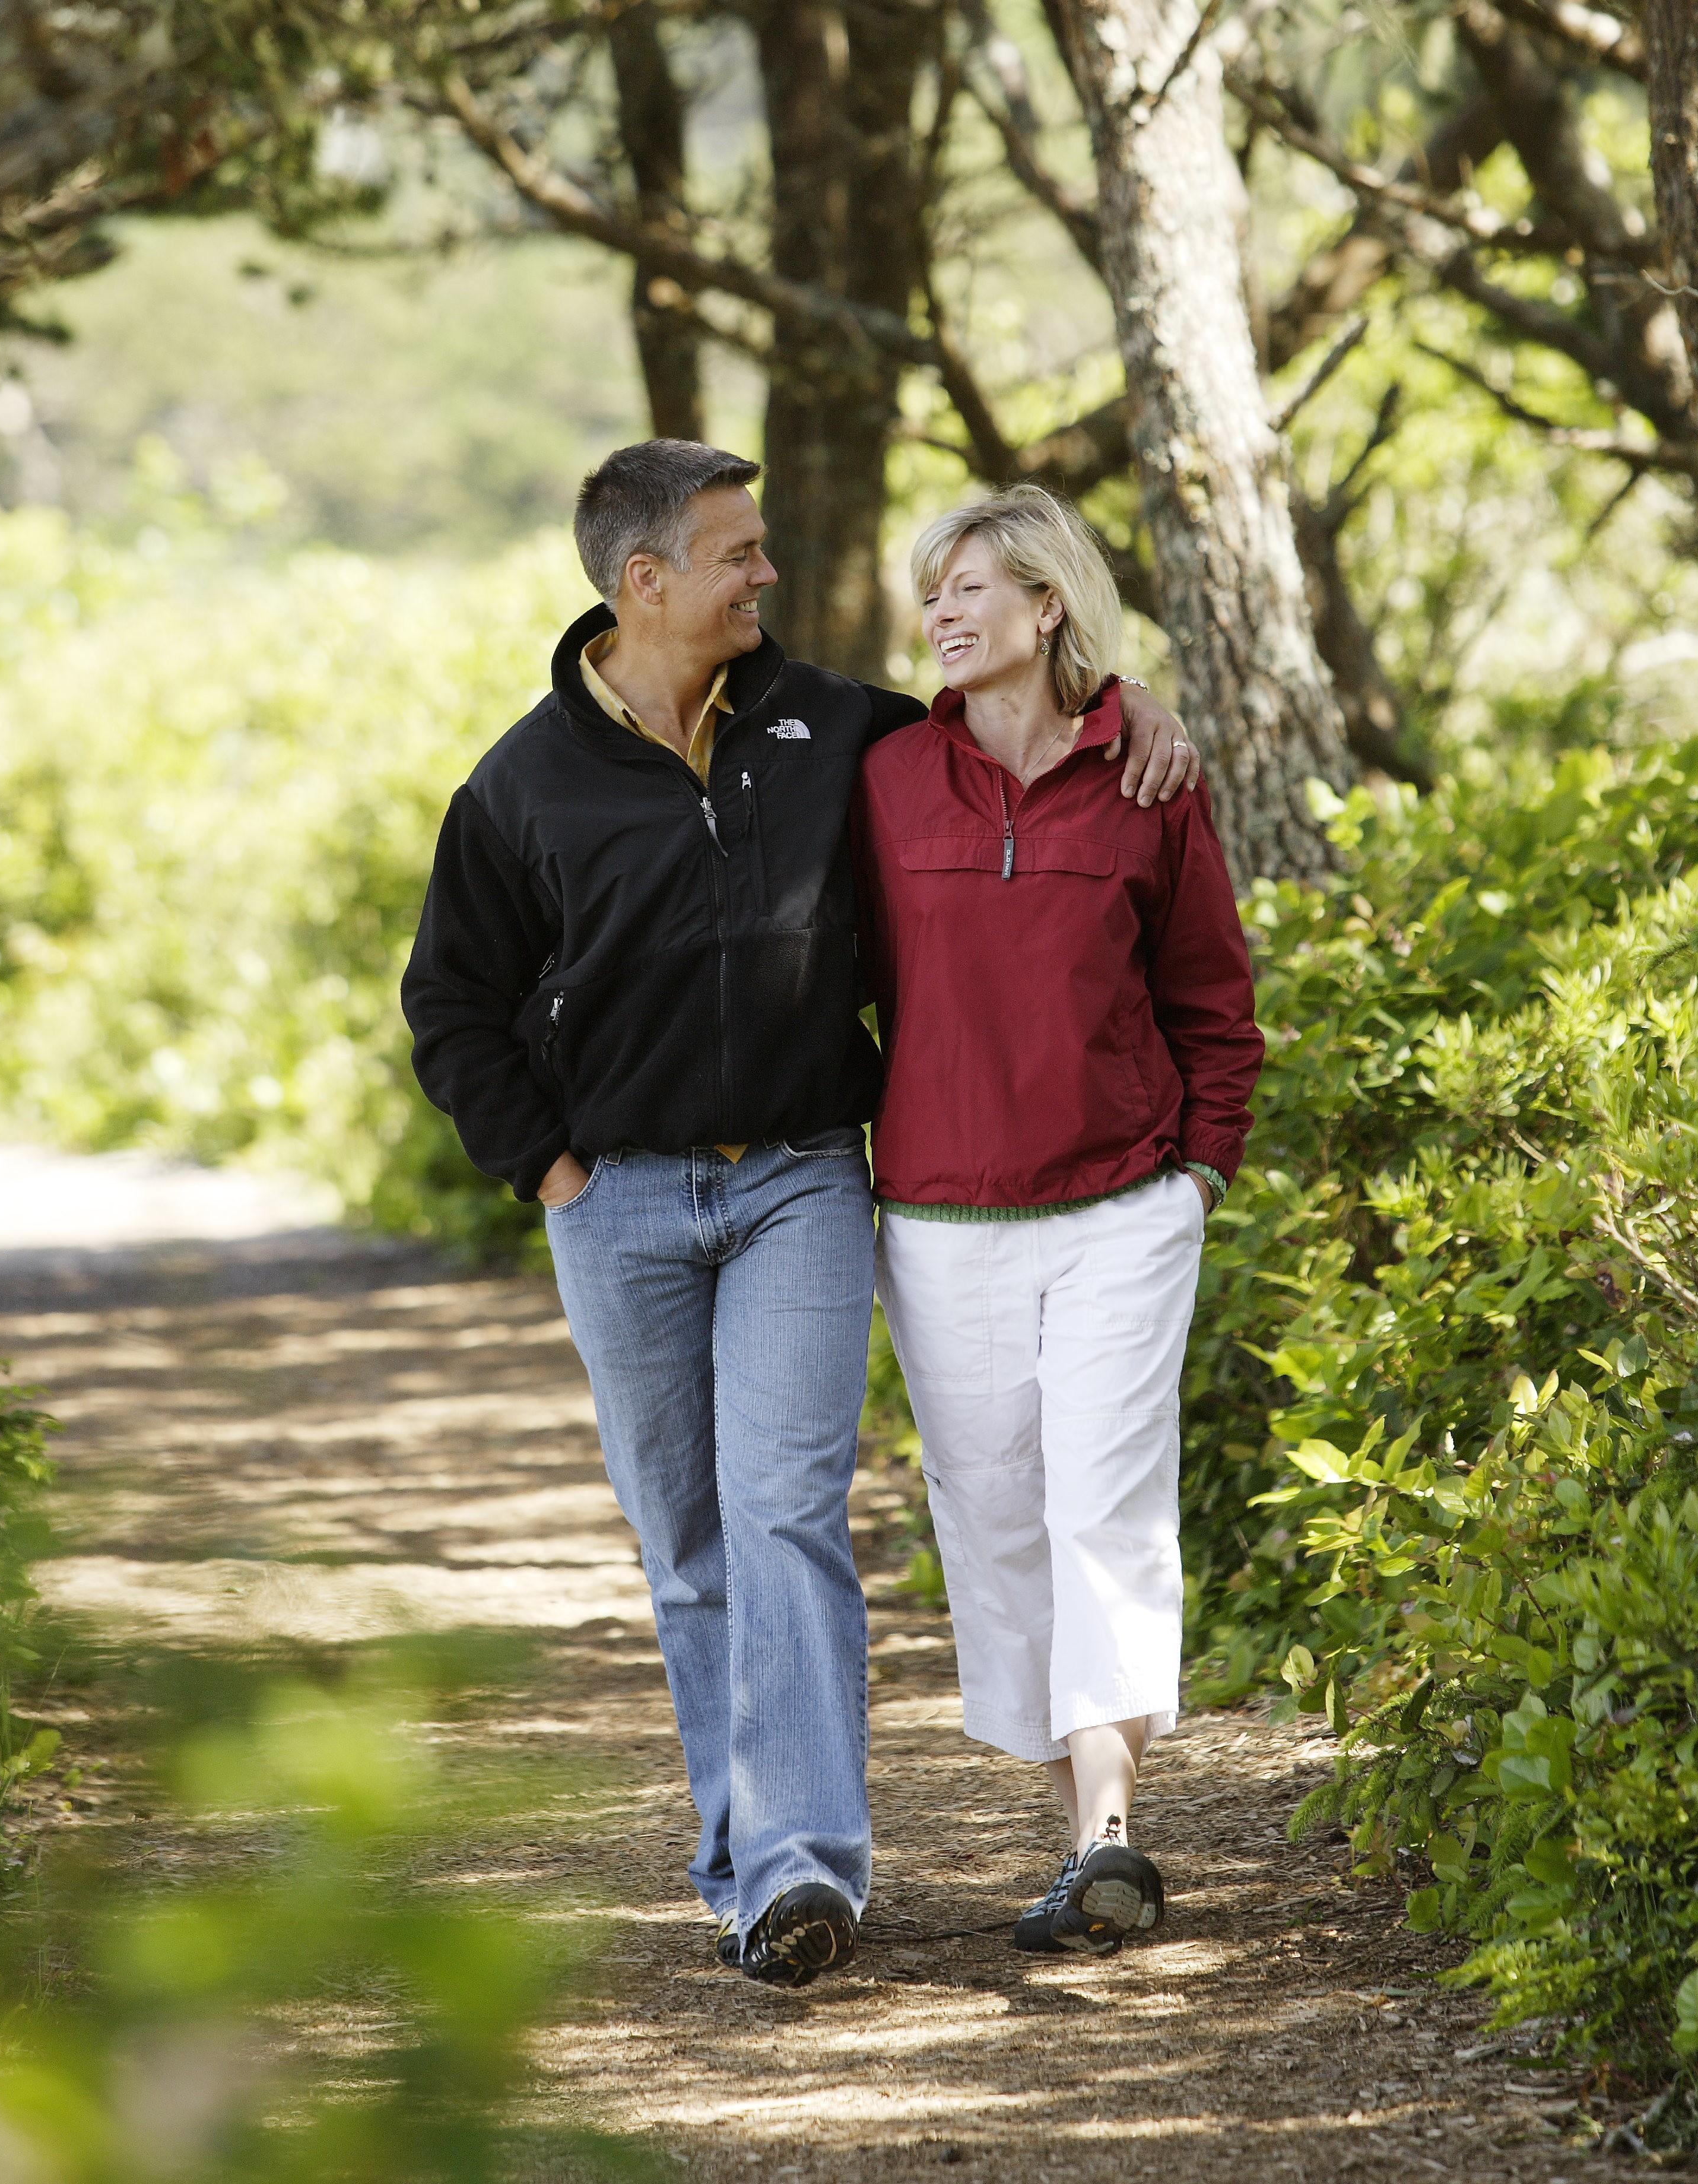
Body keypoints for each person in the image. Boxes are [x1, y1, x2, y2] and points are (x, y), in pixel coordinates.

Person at [401, 440, 1201, 1990]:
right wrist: (552, 1169)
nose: (768, 573)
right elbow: (453, 1004)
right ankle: (737, 1853)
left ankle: (800, 1871)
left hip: (800, 1182)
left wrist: (1137, 711)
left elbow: (1018, 735)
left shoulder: (836, 732)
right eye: (736, 553)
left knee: (783, 1510)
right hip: (614, 1200)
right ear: (645, 583)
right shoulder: (524, 781)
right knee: (689, 1539)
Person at [853, 484, 1263, 1959]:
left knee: (1103, 1507)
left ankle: (1106, 1833)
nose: (945, 613)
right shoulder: (882, 774)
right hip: (940, 1219)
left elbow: (1213, 1000)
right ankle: (1071, 1836)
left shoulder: (1146, 781)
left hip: (1117, 1212)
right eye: (932, 593)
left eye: (974, 589)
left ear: (1048, 607)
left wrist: (1194, 1176)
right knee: (994, 1522)